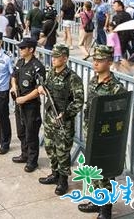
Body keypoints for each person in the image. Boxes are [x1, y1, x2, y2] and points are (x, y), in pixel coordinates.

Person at [77, 45, 127, 219]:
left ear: (109, 62)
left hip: (105, 137)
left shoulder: (116, 88)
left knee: (105, 173)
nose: (96, 63)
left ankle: (106, 210)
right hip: (89, 132)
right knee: (92, 169)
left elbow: (117, 117)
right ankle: (96, 201)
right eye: (94, 60)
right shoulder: (93, 81)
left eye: (100, 60)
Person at [38, 44, 84, 196]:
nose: (54, 60)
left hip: (63, 122)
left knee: (62, 152)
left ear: (65, 58)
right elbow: (46, 88)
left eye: (57, 57)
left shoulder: (72, 78)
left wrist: (66, 113)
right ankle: (54, 173)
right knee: (50, 148)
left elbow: (79, 101)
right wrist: (42, 90)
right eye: (53, 56)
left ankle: (63, 180)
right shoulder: (50, 73)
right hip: (50, 119)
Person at [10, 38, 45, 172]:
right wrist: (14, 87)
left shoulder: (37, 67)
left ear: (31, 50)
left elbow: (39, 89)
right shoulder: (20, 62)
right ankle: (24, 155)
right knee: (21, 132)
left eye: (23, 48)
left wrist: (24, 99)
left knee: (31, 134)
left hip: (31, 106)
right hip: (19, 104)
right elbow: (14, 75)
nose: (20, 50)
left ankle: (32, 161)